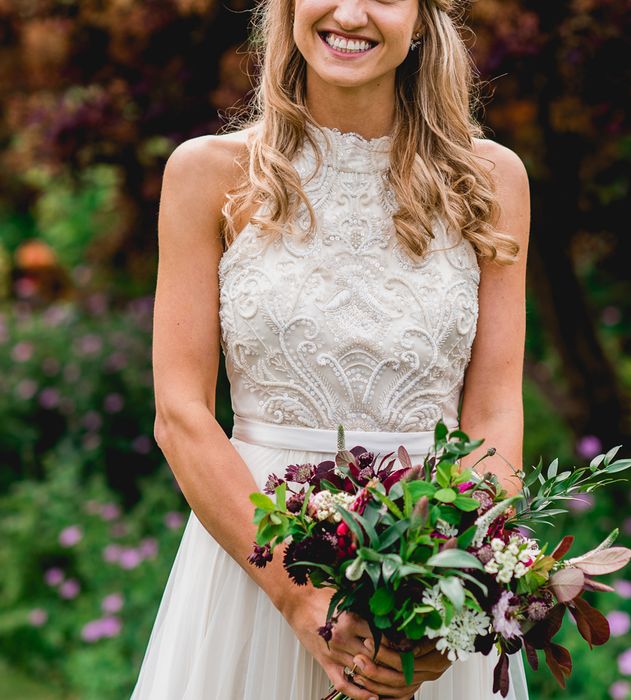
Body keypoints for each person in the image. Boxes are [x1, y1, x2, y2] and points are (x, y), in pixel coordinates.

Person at [131, 0, 530, 697]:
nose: (349, 12)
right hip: (254, 577)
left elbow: (495, 416)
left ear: (424, 15)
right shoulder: (207, 174)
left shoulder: (492, 182)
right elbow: (180, 415)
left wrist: (452, 603)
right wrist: (297, 595)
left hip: (423, 588)